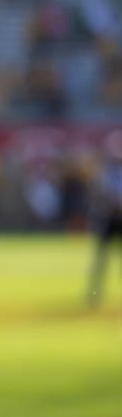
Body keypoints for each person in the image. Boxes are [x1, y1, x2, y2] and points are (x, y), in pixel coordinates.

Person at [86, 129, 122, 306]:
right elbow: (104, 194)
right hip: (111, 218)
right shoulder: (106, 171)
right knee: (101, 258)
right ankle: (95, 293)